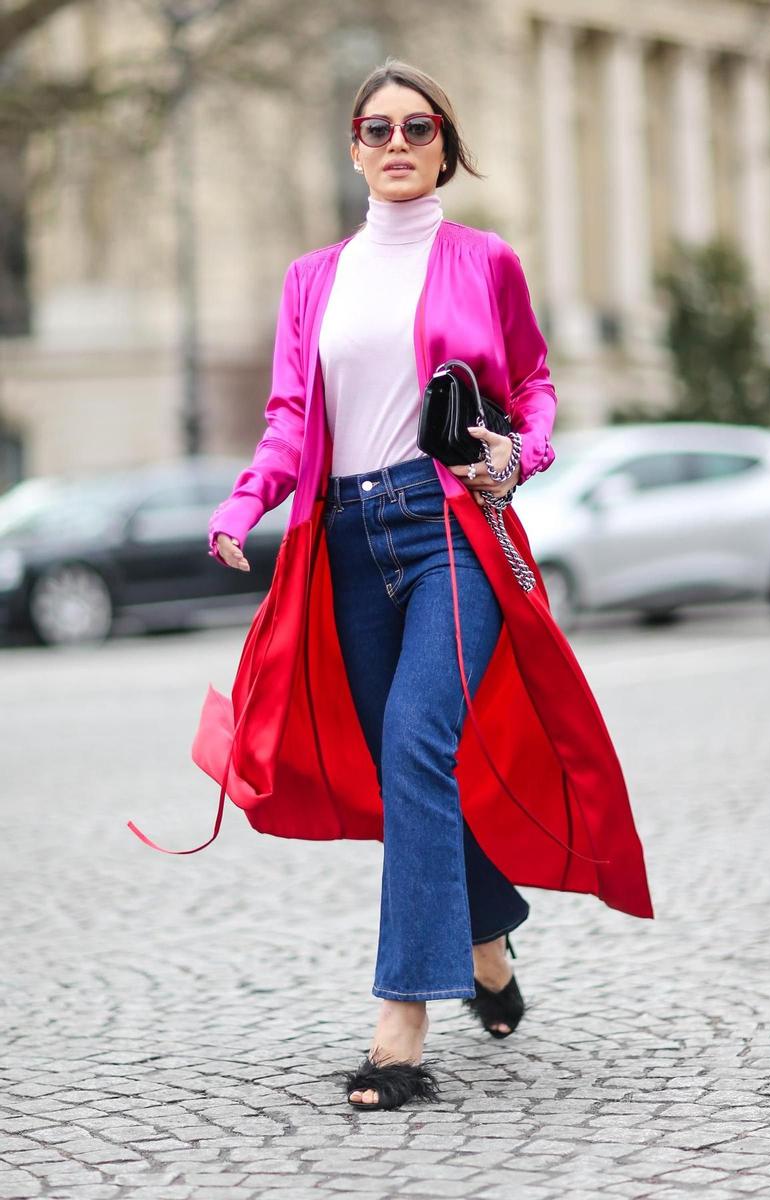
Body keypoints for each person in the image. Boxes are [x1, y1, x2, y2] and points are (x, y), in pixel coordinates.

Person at [141, 58, 653, 1112]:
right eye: (375, 129)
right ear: (353, 147)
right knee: (398, 768)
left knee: (419, 738)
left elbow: (531, 389)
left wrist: (518, 456)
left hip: (446, 529)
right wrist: (245, 505)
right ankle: (486, 946)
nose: (396, 144)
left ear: (444, 146)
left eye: (417, 128)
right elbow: (291, 414)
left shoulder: (485, 262)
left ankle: (397, 1033)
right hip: (345, 536)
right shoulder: (310, 279)